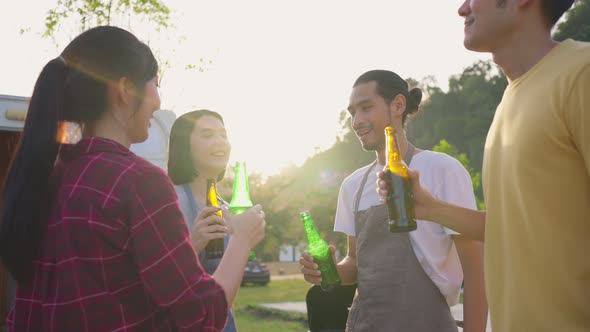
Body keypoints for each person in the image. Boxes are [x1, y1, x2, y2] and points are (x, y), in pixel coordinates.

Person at [0, 26, 265, 331]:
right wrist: (242, 239)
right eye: (155, 83)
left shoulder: (52, 177)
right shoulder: (139, 183)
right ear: (125, 90)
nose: (157, 100)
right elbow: (201, 317)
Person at [377, 1, 590, 330]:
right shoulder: (511, 99)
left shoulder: (581, 74)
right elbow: (518, 228)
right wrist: (430, 208)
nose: (462, 9)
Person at [301, 70, 488, 332]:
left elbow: (475, 268)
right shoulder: (353, 186)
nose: (357, 121)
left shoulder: (442, 169)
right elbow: (354, 263)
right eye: (352, 112)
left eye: (366, 108)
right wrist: (329, 270)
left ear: (398, 105)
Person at [168, 109, 238, 332]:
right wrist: (194, 243)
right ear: (184, 146)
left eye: (223, 135)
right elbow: (156, 283)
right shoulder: (167, 200)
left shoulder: (228, 210)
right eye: (207, 135)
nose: (220, 142)